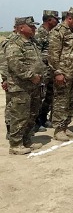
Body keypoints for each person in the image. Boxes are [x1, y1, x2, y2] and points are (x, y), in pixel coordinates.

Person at [5, 16, 46, 154]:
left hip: (34, 86)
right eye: (31, 26)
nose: (34, 28)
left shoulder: (32, 42)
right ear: (21, 27)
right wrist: (31, 76)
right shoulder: (14, 43)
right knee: (19, 116)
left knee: (32, 115)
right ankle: (15, 145)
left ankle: (26, 140)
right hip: (20, 87)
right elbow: (15, 64)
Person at [48, 7, 73, 141]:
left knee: (71, 102)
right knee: (61, 102)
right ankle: (58, 130)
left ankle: (65, 126)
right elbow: (53, 55)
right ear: (69, 18)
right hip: (63, 74)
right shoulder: (58, 32)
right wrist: (57, 72)